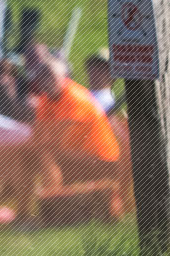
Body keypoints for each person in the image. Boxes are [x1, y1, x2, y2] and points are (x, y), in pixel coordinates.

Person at [30, 56, 120, 186]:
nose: (46, 81)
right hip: (79, 156)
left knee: (47, 154)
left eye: (50, 76)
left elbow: (59, 140)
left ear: (64, 77)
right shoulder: (46, 99)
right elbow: (38, 133)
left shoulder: (75, 97)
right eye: (42, 77)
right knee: (35, 153)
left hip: (102, 161)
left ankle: (51, 194)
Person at [84, 49, 117, 114]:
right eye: (93, 66)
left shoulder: (108, 103)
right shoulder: (81, 93)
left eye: (101, 68)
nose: (94, 71)